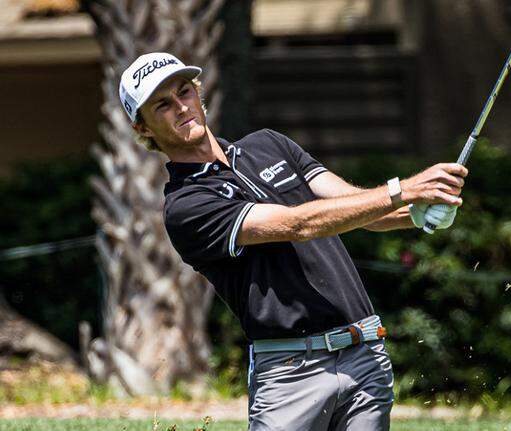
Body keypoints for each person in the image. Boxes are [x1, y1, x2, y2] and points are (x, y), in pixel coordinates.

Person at [119, 52, 467, 431]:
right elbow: (298, 223)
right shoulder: (186, 205)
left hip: (364, 354)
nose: (181, 106)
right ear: (144, 128)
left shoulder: (269, 144)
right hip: (291, 373)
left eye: (184, 91)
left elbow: (347, 203)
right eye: (163, 104)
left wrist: (415, 214)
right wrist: (404, 190)